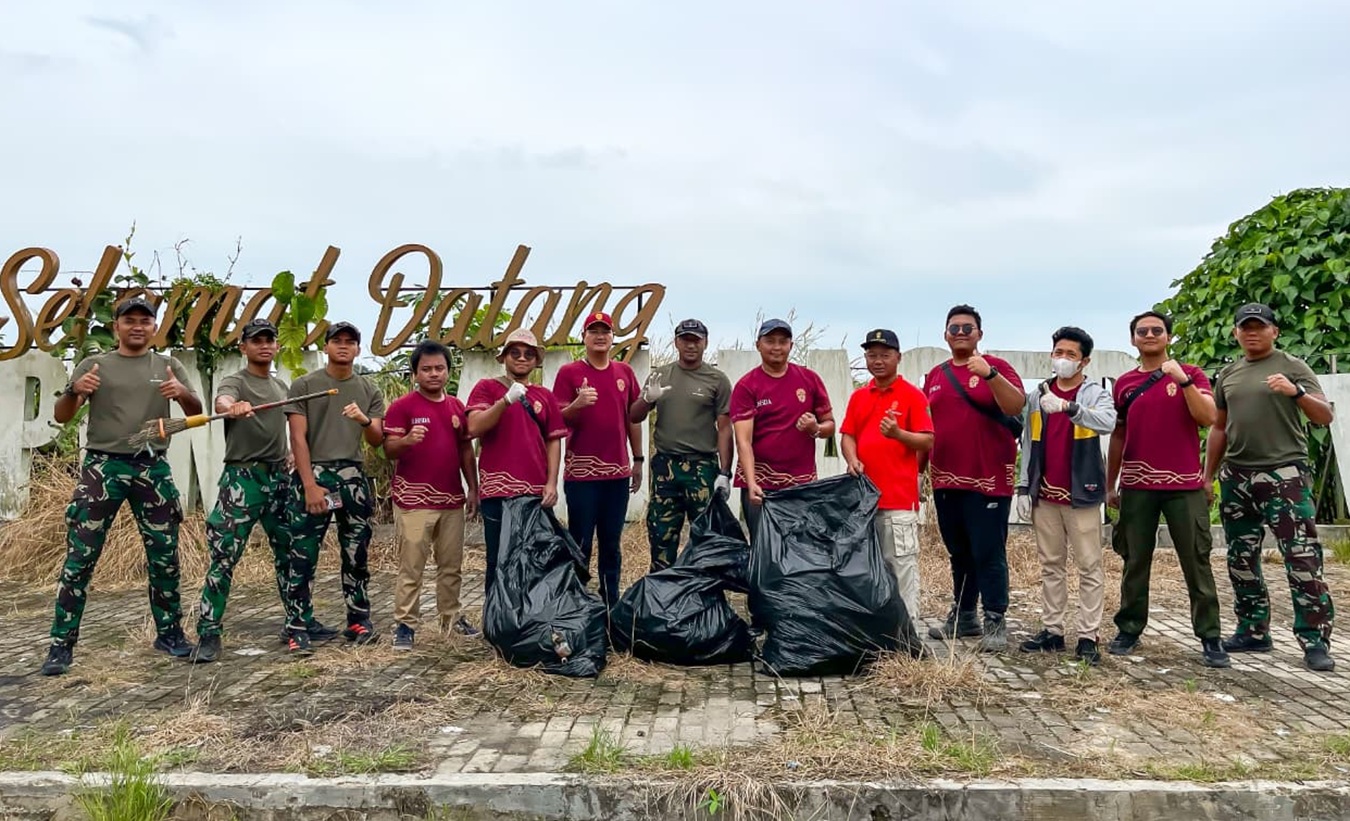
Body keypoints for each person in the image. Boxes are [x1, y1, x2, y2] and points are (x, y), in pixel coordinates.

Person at [40, 296, 204, 676]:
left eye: (144, 321)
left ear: (153, 327)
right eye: (129, 320)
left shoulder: (167, 365)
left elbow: (196, 413)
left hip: (152, 467)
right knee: (80, 557)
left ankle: (170, 634)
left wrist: (181, 394)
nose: (137, 326)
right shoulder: (95, 365)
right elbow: (62, 417)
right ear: (116, 326)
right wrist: (74, 389)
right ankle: (60, 645)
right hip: (103, 468)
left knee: (164, 555)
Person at [191, 318, 339, 663]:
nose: (265, 345)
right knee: (224, 556)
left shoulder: (281, 387)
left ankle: (297, 621)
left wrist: (288, 452)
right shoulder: (236, 381)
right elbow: (222, 402)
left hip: (279, 480)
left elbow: (288, 427)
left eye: (270, 340)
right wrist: (233, 408)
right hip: (242, 481)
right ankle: (209, 633)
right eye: (256, 340)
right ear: (244, 347)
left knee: (290, 554)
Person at [1204, 303, 1336, 672]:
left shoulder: (1293, 367)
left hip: (1285, 475)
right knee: (1240, 557)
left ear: (1274, 331)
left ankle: (1314, 640)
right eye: (1245, 327)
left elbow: (1324, 415)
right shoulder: (1228, 374)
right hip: (1238, 476)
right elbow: (1218, 427)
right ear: (1235, 333)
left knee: (1302, 557)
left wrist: (1295, 393)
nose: (1251, 332)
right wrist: (1208, 475)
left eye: (1259, 326)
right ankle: (1253, 629)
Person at [1106, 311, 1229, 668]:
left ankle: (1210, 635)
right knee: (1134, 560)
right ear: (1132, 340)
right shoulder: (1125, 383)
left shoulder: (1190, 374)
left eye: (1156, 330)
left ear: (1168, 337)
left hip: (1184, 485)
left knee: (1196, 560)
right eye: (1141, 331)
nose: (1149, 335)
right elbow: (1119, 434)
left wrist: (1184, 383)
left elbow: (1208, 418)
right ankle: (1129, 628)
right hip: (1137, 484)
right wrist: (1111, 483)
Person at [922, 305, 1026, 652]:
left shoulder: (998, 367)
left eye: (968, 328)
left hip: (988, 478)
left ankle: (995, 618)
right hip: (946, 478)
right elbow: (927, 426)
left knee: (988, 551)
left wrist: (991, 375)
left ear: (980, 334)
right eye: (955, 328)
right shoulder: (935, 376)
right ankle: (964, 614)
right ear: (945, 335)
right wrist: (919, 470)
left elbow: (1015, 407)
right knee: (959, 552)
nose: (961, 333)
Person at [1017, 326, 1117, 666]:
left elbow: (1107, 422)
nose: (1063, 359)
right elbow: (1028, 442)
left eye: (1070, 355)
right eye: (1058, 352)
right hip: (1044, 494)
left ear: (1084, 360)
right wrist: (1023, 484)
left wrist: (1070, 408)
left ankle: (1088, 635)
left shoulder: (1093, 394)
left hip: (1082, 493)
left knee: (1089, 565)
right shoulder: (1038, 394)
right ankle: (1053, 631)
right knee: (1050, 565)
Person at [284, 321, 386, 653]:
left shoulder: (369, 389)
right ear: (325, 347)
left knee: (355, 552)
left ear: (358, 349)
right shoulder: (305, 385)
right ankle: (297, 624)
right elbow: (297, 437)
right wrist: (310, 485)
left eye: (350, 342)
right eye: (336, 341)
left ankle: (358, 619)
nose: (343, 346)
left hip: (353, 477)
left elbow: (377, 438)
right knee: (302, 553)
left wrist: (363, 420)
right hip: (315, 474)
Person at [383, 340, 481, 651]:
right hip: (413, 502)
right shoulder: (402, 407)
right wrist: (408, 440)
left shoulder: (455, 407)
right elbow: (388, 448)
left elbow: (466, 449)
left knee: (451, 565)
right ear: (415, 373)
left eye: (439, 368)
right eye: (426, 369)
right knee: (412, 566)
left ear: (448, 372)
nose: (433, 374)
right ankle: (405, 625)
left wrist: (473, 488)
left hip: (451, 499)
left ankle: (450, 619)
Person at [840, 329, 933, 621]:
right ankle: (878, 633)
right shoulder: (859, 396)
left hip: (898, 502)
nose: (877, 361)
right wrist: (852, 458)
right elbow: (847, 436)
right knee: (867, 570)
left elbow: (927, 440)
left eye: (884, 355)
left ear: (898, 357)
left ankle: (908, 636)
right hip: (864, 503)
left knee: (901, 568)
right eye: (872, 355)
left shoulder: (912, 396)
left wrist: (897, 433)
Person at [467, 328, 568, 595]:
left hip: (534, 492)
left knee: (534, 558)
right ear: (503, 357)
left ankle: (527, 619)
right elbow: (474, 426)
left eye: (528, 354)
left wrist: (551, 483)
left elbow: (553, 440)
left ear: (536, 360)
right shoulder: (487, 388)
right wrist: (504, 401)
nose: (521, 358)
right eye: (515, 353)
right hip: (497, 491)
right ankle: (496, 620)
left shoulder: (545, 396)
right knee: (497, 559)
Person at [552, 312, 642, 607]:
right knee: (580, 542)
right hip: (581, 476)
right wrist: (577, 405)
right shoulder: (569, 373)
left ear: (612, 337)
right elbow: (555, 419)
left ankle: (610, 603)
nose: (600, 336)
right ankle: (576, 604)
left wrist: (638, 459)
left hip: (616, 475)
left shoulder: (624, 372)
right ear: (584, 336)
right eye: (594, 331)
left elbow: (633, 418)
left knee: (611, 544)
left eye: (605, 331)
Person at [629, 318, 734, 571]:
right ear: (676, 342)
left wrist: (725, 472)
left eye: (696, 340)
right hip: (666, 466)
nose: (691, 345)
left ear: (705, 343)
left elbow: (724, 427)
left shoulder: (717, 380)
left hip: (702, 467)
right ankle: (663, 599)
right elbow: (634, 416)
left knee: (705, 536)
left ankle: (703, 597)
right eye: (685, 340)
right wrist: (646, 398)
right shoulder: (661, 375)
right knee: (661, 534)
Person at [731, 318, 834, 540]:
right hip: (761, 484)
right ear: (758, 344)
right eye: (770, 341)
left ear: (791, 346)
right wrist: (751, 483)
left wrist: (815, 428)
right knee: (764, 546)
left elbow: (830, 426)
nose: (776, 347)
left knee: (801, 547)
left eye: (782, 341)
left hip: (801, 485)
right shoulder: (747, 386)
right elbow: (743, 441)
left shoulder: (809, 379)